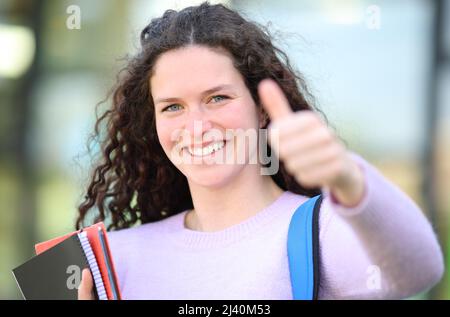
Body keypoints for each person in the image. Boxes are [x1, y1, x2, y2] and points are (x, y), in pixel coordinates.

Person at [76, 2, 444, 300]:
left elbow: (421, 271)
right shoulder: (109, 263)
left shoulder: (322, 233)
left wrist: (347, 178)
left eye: (217, 98)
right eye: (172, 107)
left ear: (262, 107)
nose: (196, 126)